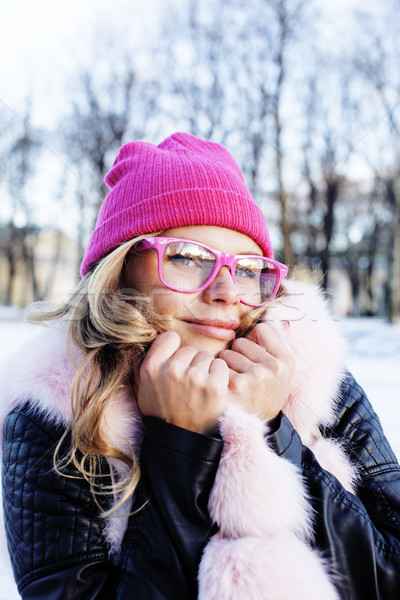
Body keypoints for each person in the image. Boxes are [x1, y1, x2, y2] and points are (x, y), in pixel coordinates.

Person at [1, 132, 400, 600]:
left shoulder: (314, 376)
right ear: (120, 271)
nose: (227, 292)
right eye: (188, 258)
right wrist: (178, 446)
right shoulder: (56, 413)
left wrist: (276, 429)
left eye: (248, 268)